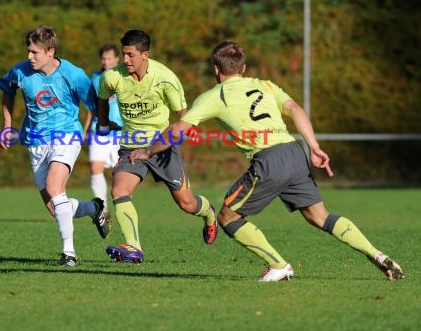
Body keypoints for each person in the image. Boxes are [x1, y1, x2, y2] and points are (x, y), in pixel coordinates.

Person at [130, 40, 404, 281]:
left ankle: (279, 265)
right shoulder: (265, 85)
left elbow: (178, 130)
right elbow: (294, 108)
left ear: (216, 69)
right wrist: (315, 147)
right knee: (320, 216)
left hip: (269, 161)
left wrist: (148, 152)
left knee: (227, 217)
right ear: (243, 67)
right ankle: (377, 254)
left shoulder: (215, 95)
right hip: (295, 152)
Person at [97, 29, 218, 264]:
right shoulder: (112, 77)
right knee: (119, 191)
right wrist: (103, 123)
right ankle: (134, 246)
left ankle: (209, 213)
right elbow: (102, 97)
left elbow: (184, 115)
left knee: (187, 203)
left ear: (145, 54)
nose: (125, 60)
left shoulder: (166, 79)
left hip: (162, 146)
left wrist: (179, 137)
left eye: (130, 55)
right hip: (131, 147)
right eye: (124, 54)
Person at [0, 25, 110, 267]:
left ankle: (69, 254)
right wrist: (7, 125)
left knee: (54, 186)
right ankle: (94, 208)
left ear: (50, 51)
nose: (29, 57)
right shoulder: (20, 71)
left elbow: (95, 103)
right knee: (55, 206)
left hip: (65, 136)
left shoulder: (73, 74)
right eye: (28, 51)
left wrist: (105, 125)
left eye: (35, 52)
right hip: (35, 141)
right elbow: (7, 91)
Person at [82, 43, 122, 220]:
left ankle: (122, 206)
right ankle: (103, 210)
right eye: (103, 58)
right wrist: (85, 130)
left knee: (119, 171)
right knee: (95, 167)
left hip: (121, 131)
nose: (106, 62)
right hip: (99, 131)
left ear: (117, 59)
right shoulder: (95, 78)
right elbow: (91, 108)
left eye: (109, 58)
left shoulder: (125, 76)